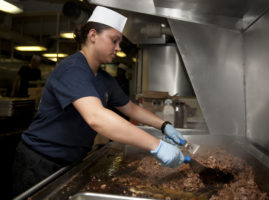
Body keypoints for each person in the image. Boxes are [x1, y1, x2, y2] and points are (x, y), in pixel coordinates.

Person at [12, 6, 186, 196]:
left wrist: (164, 125)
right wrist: (156, 145)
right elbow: (96, 117)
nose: (118, 48)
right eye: (114, 40)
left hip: (70, 161)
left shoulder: (104, 79)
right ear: (93, 35)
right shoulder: (73, 69)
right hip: (39, 162)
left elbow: (131, 109)